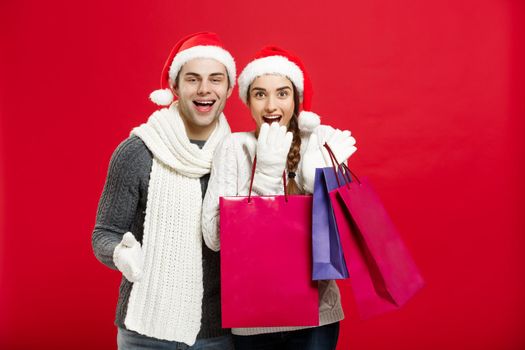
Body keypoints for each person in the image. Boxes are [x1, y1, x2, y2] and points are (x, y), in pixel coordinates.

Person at [202, 46, 357, 349]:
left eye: (282, 94)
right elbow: (214, 238)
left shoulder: (321, 142)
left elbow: (345, 236)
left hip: (316, 318)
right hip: (253, 321)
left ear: (297, 100)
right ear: (247, 100)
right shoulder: (235, 148)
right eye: (260, 94)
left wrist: (324, 184)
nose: (271, 105)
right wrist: (265, 178)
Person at [92, 32, 236, 349]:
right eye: (192, 79)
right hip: (144, 332)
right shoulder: (137, 152)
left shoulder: (239, 156)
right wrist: (119, 253)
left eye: (215, 79)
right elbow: (104, 232)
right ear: (175, 86)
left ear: (229, 87)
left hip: (217, 333)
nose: (204, 89)